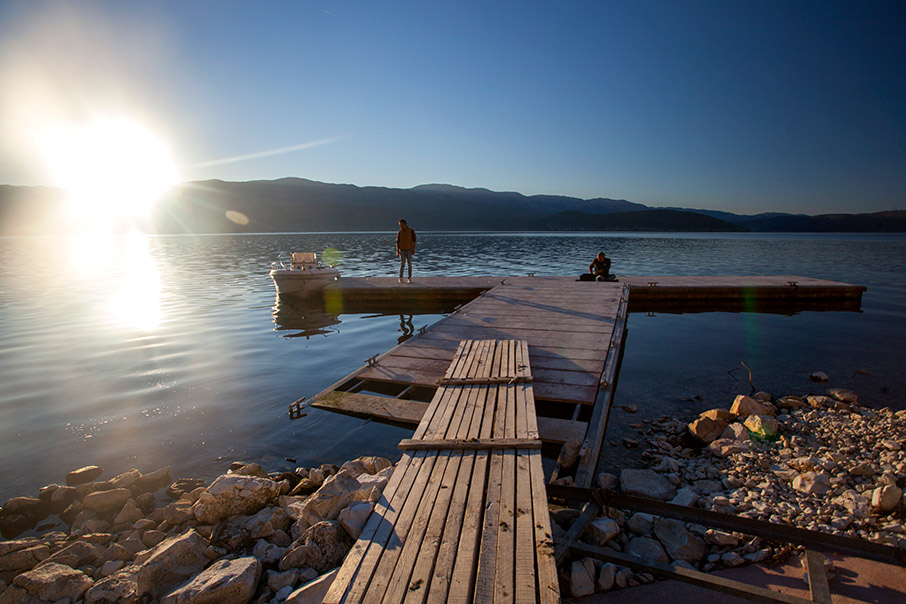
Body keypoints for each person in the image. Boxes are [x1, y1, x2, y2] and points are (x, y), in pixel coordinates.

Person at [395, 219, 416, 283]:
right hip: (402, 250)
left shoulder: (411, 231)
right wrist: (397, 251)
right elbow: (397, 242)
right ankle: (401, 277)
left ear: (404, 224)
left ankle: (409, 278)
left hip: (409, 250)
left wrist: (413, 249)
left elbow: (414, 241)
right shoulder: (399, 232)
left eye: (401, 225)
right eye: (399, 225)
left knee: (409, 264)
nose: (400, 226)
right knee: (402, 264)